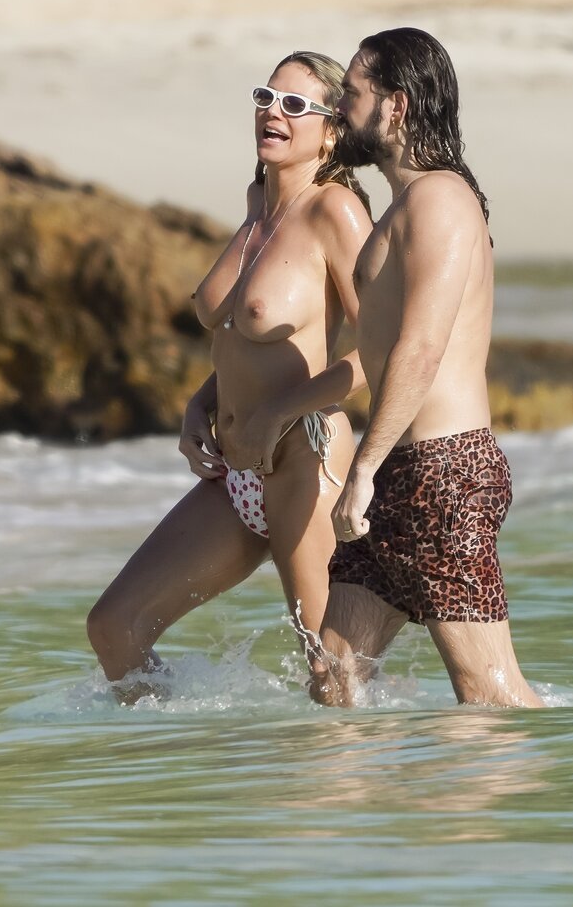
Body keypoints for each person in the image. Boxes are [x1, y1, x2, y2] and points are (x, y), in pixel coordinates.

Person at [87, 51, 373, 701]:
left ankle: (370, 766)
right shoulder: (257, 204)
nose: (274, 112)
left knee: (330, 675)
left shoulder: (335, 213)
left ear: (331, 131)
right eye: (266, 97)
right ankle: (196, 766)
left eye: (295, 105)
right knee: (115, 628)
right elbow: (241, 341)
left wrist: (278, 412)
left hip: (304, 458)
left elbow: (384, 351)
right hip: (236, 470)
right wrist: (200, 405)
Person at [309, 28, 544, 709]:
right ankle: (374, 785)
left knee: (490, 695)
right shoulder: (408, 203)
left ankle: (572, 769)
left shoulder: (440, 199)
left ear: (396, 105)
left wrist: (362, 471)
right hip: (403, 472)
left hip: (445, 474)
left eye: (351, 92)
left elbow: (421, 349)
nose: (338, 107)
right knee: (334, 678)